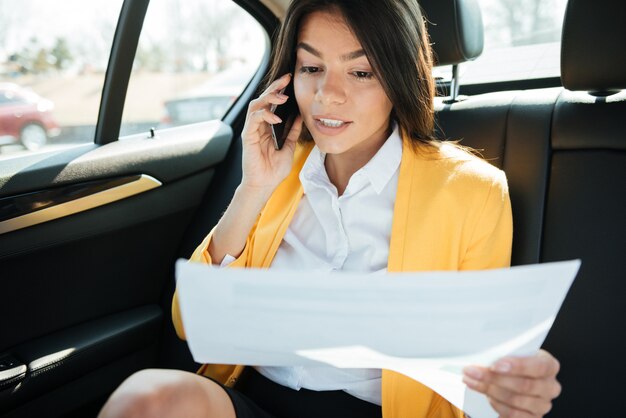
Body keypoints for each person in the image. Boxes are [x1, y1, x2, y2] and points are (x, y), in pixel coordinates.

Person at [98, 0, 561, 417]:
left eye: (361, 73)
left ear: (399, 79)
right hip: (255, 396)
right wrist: (253, 188)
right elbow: (189, 320)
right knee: (150, 399)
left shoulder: (472, 192)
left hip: (376, 410)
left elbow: (478, 365)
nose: (327, 95)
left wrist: (506, 393)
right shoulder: (277, 170)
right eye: (311, 68)